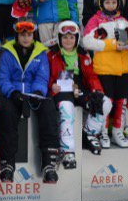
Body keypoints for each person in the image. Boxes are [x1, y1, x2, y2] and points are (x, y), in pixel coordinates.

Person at [0, 19, 60, 184]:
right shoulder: (7, 53)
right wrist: (13, 92)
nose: (26, 38)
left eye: (29, 35)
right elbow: (3, 78)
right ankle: (7, 164)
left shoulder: (40, 52)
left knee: (48, 109)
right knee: (6, 112)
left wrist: (38, 91)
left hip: (34, 93)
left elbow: (42, 76)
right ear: (17, 36)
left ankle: (49, 164)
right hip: (15, 93)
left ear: (34, 35)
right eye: (22, 35)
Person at [48, 21, 112, 168]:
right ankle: (67, 149)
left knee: (105, 102)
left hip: (78, 89)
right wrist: (52, 86)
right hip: (62, 91)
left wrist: (97, 90)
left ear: (77, 39)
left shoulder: (83, 54)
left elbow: (91, 76)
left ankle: (89, 133)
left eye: (72, 37)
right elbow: (47, 77)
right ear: (59, 38)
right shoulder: (52, 54)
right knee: (67, 108)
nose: (68, 41)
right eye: (64, 37)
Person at [82, 0, 128, 148]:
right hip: (104, 69)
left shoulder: (124, 21)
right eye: (108, 3)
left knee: (121, 102)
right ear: (101, 3)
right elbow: (86, 42)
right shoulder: (95, 20)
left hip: (123, 68)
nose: (111, 5)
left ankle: (117, 131)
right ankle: (103, 132)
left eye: (114, 2)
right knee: (108, 102)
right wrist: (112, 44)